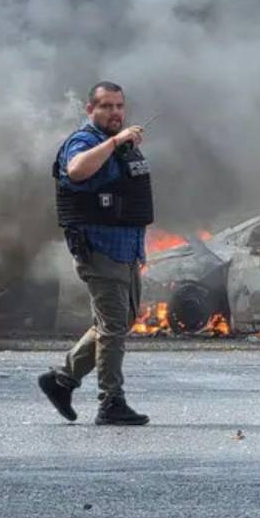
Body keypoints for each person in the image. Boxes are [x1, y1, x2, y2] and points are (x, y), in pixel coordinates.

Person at [38, 81, 152, 426]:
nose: (115, 113)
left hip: (125, 250)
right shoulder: (85, 141)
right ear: (91, 110)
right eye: (106, 106)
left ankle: (62, 380)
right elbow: (76, 170)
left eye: (119, 106)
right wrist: (116, 141)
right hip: (99, 249)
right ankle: (110, 401)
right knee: (113, 325)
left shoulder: (121, 146)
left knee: (118, 322)